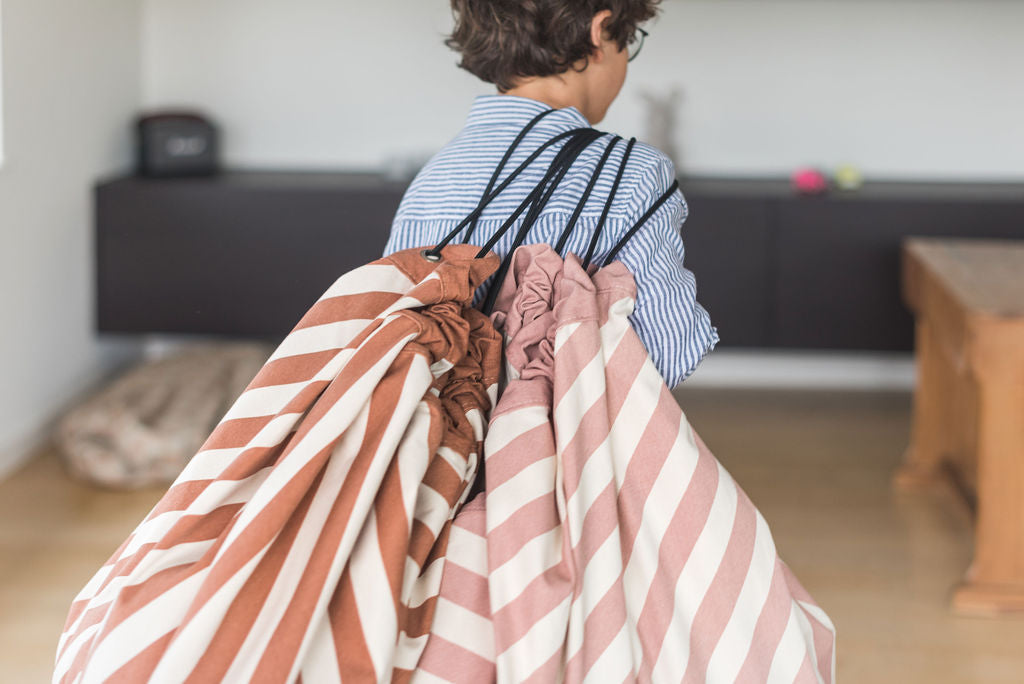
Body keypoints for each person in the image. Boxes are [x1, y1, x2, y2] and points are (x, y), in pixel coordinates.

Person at [383, 0, 718, 387]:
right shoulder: (633, 172)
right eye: (629, 40)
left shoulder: (432, 178)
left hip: (439, 442)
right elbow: (670, 353)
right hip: (561, 442)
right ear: (600, 31)